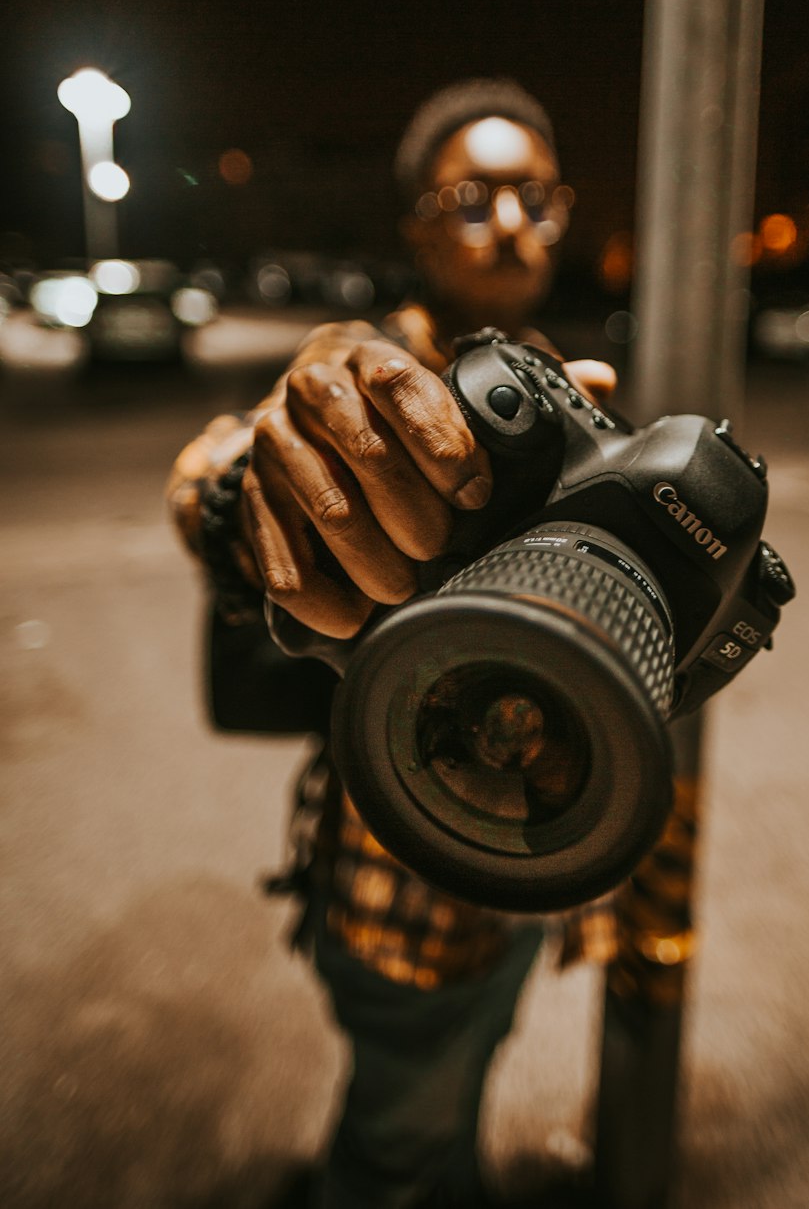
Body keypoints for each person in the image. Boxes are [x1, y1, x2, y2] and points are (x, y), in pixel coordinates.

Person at [167, 78, 696, 1208]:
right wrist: (227, 494)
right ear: (415, 221)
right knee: (393, 1146)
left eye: (534, 198)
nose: (508, 222)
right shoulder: (356, 374)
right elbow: (262, 446)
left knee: (446, 1118)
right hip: (395, 890)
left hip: (532, 857)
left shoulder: (565, 390)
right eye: (471, 195)